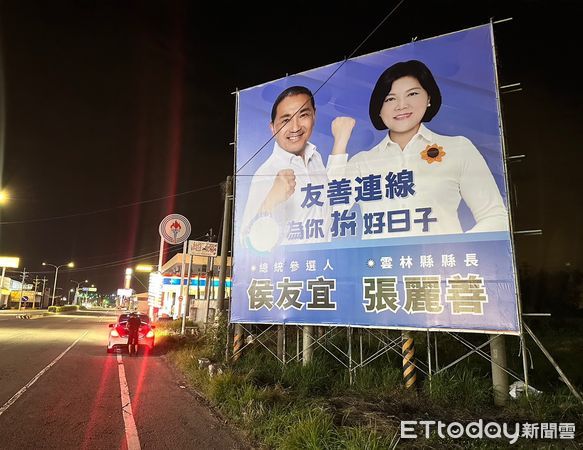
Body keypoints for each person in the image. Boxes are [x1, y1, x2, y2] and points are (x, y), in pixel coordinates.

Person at [328, 59, 509, 238]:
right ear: (379, 109)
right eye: (390, 98)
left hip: (440, 265)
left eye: (412, 94)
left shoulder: (458, 148)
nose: (402, 105)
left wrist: (458, 248)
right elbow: (330, 210)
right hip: (380, 264)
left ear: (429, 98)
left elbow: (495, 216)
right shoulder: (363, 162)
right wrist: (340, 142)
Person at [240, 85, 333, 252]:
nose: (296, 127)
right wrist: (271, 200)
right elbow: (246, 243)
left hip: (326, 265)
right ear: (273, 128)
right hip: (290, 271)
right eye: (286, 120)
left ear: (314, 116)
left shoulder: (315, 156)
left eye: (303, 115)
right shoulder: (266, 173)